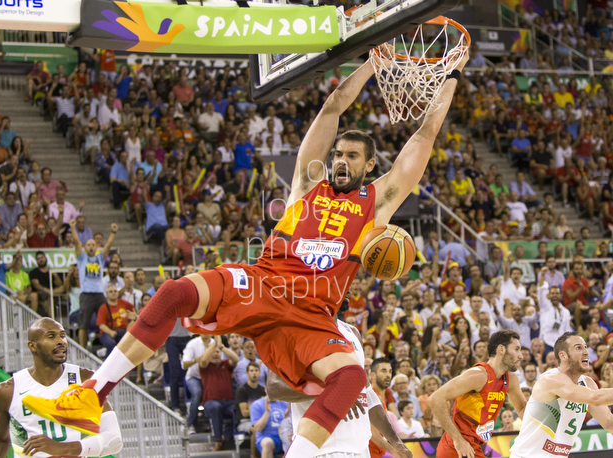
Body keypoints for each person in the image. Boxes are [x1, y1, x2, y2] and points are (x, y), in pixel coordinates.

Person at [24, 45, 469, 458]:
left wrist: (449, 75)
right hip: (261, 282)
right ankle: (91, 395)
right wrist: (374, 62)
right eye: (339, 153)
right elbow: (333, 107)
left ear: (370, 165)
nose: (340, 160)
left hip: (311, 312)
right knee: (175, 292)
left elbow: (426, 134)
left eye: (352, 156)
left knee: (351, 375)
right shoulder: (308, 182)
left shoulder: (378, 202)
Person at [267, 300, 410, 458]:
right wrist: (333, 390)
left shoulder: (352, 332)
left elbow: (368, 393)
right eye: (341, 281)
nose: (347, 287)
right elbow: (274, 388)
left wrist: (395, 442)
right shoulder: (295, 330)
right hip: (323, 448)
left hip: (361, 448)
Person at [0, 318, 123, 457]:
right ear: (32, 346)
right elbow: (1, 440)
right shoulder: (7, 390)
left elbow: (114, 441)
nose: (61, 341)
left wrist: (61, 448)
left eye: (63, 336)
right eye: (51, 336)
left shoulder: (84, 380)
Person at [510, 332, 613, 457]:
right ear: (563, 355)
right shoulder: (550, 379)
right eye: (578, 348)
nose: (586, 352)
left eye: (585, 347)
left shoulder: (588, 383)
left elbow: (608, 422)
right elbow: (596, 398)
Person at [429, 330, 527, 458]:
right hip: (457, 447)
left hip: (474, 446)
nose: (521, 356)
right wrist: (458, 440)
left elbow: (521, 409)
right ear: (501, 349)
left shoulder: (510, 379)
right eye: (517, 349)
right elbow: (435, 399)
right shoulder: (478, 375)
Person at [70, 218, 118, 348]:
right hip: (86, 294)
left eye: (93, 244)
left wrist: (113, 232)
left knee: (106, 321)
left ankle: (107, 345)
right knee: (83, 324)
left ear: (96, 247)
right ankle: (82, 349)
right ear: (85, 247)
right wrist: (73, 228)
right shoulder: (82, 258)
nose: (91, 246)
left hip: (99, 295)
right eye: (89, 244)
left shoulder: (99, 257)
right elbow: (76, 242)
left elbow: (107, 246)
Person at [199, 335, 240, 451]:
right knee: (216, 407)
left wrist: (221, 346)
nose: (216, 354)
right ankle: (218, 440)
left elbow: (235, 358)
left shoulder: (226, 365)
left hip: (228, 402)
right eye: (213, 352)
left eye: (218, 352)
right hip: (210, 403)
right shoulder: (205, 367)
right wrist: (214, 344)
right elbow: (203, 359)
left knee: (237, 409)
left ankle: (227, 437)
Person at [96, 285, 137, 357]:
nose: (113, 293)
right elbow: (101, 325)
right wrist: (110, 332)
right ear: (106, 294)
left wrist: (132, 321)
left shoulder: (124, 303)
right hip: (108, 332)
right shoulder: (103, 307)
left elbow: (134, 311)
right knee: (110, 343)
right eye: (111, 292)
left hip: (123, 331)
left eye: (115, 291)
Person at [235, 362, 266, 433]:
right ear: (247, 373)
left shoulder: (262, 390)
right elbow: (244, 413)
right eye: (251, 371)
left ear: (259, 373)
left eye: (256, 370)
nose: (254, 373)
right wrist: (259, 410)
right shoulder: (241, 390)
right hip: (245, 421)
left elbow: (267, 408)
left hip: (260, 419)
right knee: (256, 430)